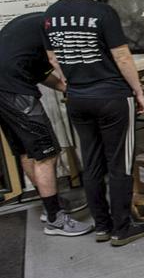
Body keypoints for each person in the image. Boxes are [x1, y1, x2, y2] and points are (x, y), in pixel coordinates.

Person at [45, 0, 144, 246]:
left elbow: (52, 57)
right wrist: (138, 91)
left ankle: (102, 226)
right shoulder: (103, 13)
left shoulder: (52, 14)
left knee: (91, 164)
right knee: (120, 164)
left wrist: (71, 81)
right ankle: (122, 227)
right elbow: (122, 57)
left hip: (78, 99)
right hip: (112, 97)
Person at [0, 13, 90, 236]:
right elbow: (55, 61)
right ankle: (56, 220)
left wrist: (66, 89)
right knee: (46, 154)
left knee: (28, 152)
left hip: (4, 90)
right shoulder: (55, 25)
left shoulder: (31, 25)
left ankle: (51, 207)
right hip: (15, 92)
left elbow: (41, 72)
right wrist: (76, 81)